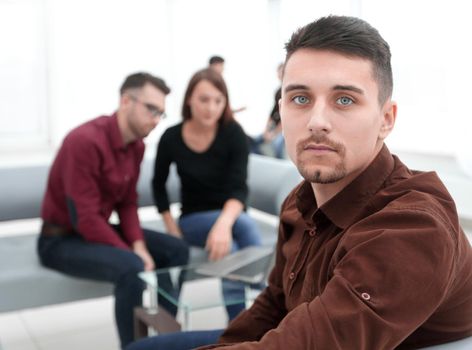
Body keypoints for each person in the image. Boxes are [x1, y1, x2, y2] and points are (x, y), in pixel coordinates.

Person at [128, 15, 472, 350]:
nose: (317, 121)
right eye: (301, 99)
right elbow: (275, 303)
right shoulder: (299, 202)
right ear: (282, 108)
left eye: (345, 100)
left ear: (386, 119)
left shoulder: (414, 225)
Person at [37, 72, 189, 349]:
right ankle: (135, 346)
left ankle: (166, 339)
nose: (156, 120)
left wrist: (139, 244)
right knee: (131, 268)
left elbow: (127, 203)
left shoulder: (137, 146)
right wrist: (132, 253)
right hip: (60, 240)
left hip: (96, 229)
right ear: (126, 101)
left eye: (161, 114)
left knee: (177, 250)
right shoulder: (84, 141)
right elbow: (84, 218)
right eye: (151, 109)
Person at [151, 68, 262, 321]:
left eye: (218, 101)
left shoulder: (233, 133)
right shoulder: (171, 137)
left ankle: (240, 328)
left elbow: (239, 187)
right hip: (192, 221)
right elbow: (158, 185)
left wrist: (223, 225)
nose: (211, 108)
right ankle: (267, 291)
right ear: (189, 99)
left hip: (232, 219)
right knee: (244, 224)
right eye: (203, 99)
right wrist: (171, 228)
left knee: (233, 244)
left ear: (225, 103)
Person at [249, 63, 285, 159]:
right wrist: (266, 130)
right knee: (255, 141)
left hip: (283, 130)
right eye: (278, 72)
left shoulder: (289, 92)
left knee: (277, 146)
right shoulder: (278, 91)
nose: (279, 75)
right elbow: (272, 113)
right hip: (274, 128)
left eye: (282, 72)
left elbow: (286, 117)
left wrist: (275, 134)